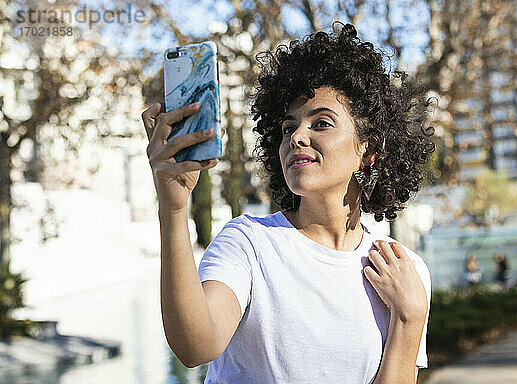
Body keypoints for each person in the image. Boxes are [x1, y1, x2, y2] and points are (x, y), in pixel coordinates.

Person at [142, 22, 435, 384]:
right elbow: (195, 347)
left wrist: (410, 316)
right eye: (287, 128)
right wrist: (173, 211)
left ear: (369, 149)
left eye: (321, 123)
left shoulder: (404, 271)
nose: (297, 137)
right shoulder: (248, 243)